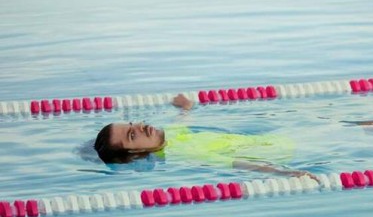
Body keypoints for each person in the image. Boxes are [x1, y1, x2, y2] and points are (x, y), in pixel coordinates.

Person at [94, 94, 320, 181]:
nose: (141, 126)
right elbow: (237, 164)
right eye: (133, 135)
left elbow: (181, 125)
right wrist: (285, 173)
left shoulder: (170, 136)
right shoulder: (183, 154)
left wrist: (185, 108)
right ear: (135, 154)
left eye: (132, 124)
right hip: (284, 152)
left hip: (273, 139)